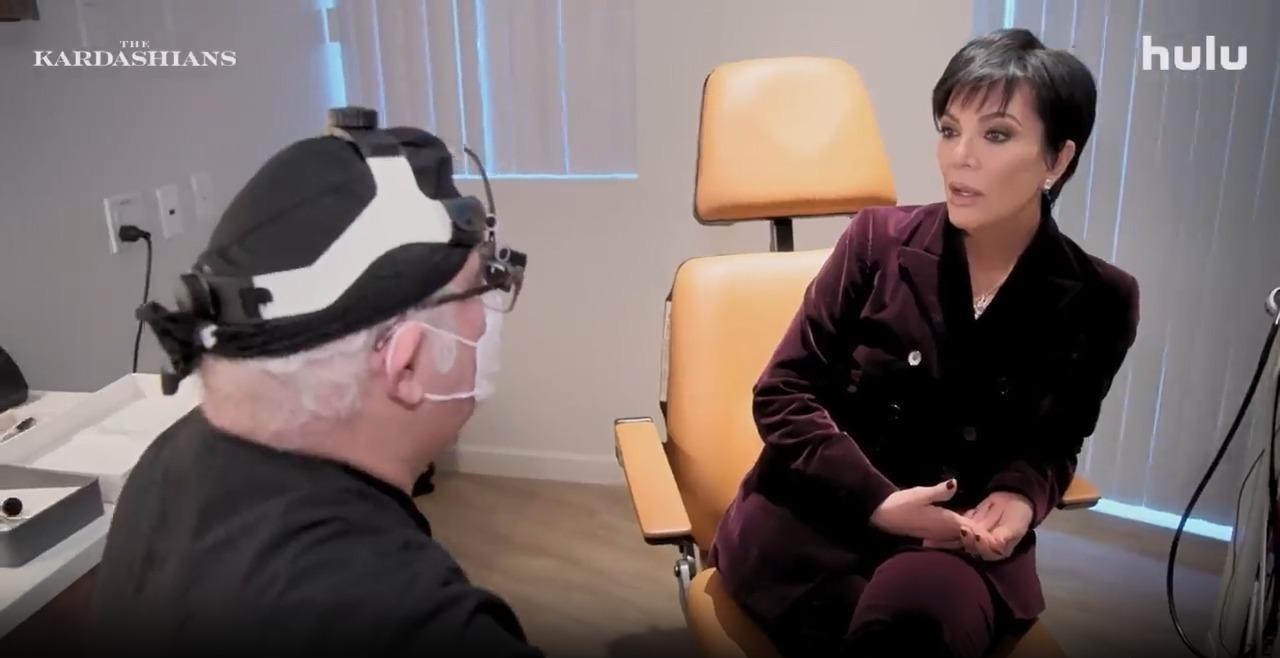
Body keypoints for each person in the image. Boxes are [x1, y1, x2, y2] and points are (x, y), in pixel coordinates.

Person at [707, 28, 1140, 657]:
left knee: (915, 625)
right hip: (821, 521)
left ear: (1057, 160)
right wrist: (878, 501)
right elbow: (783, 392)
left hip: (954, 542)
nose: (960, 157)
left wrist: (1020, 496)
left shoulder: (1101, 299)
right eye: (948, 130)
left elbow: (1054, 441)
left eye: (996, 135)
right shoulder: (876, 241)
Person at [91, 108, 542, 658]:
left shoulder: (172, 458)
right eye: (481, 284)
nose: (490, 309)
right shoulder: (409, 620)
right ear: (405, 365)